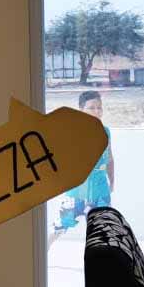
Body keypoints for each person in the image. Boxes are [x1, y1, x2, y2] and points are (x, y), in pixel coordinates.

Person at [49, 90, 114, 248]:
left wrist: (112, 181)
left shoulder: (106, 132)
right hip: (76, 192)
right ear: (81, 110)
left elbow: (110, 158)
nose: (97, 111)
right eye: (92, 107)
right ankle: (41, 251)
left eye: (99, 107)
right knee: (60, 226)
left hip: (100, 191)